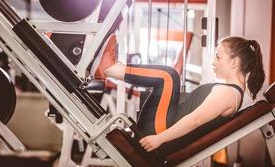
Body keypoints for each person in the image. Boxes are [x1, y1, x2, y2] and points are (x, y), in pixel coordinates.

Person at [91, 34, 265, 152]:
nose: (213, 62)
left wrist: (159, 139)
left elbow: (194, 121)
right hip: (161, 126)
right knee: (169, 78)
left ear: (234, 63)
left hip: (160, 132)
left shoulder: (228, 94)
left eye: (218, 57)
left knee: (169, 75)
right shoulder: (231, 92)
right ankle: (113, 69)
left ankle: (109, 69)